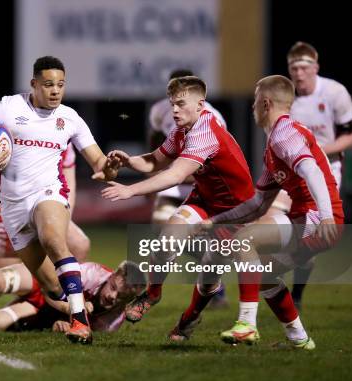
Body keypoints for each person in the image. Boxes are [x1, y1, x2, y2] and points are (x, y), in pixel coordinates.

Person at [0, 56, 119, 344]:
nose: (56, 91)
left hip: (49, 193)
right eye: (48, 85)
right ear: (33, 84)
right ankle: (74, 309)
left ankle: (80, 322)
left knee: (54, 241)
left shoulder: (70, 118)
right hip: (12, 206)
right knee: (50, 286)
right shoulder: (7, 108)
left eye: (60, 85)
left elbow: (97, 160)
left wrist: (108, 167)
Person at [195, 75, 343, 350]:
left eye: (254, 101)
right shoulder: (276, 143)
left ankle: (247, 325)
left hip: (315, 218)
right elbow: (258, 205)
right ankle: (300, 340)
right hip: (311, 218)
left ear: (265, 104)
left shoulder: (285, 133)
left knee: (244, 240)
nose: (252, 107)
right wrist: (215, 220)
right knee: (263, 276)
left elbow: (311, 170)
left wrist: (325, 216)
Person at [100, 76, 255, 329]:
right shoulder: (181, 129)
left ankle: (190, 320)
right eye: (172, 104)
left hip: (236, 211)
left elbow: (175, 175)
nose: (173, 110)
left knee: (210, 280)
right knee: (167, 238)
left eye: (181, 104)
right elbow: (155, 160)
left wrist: (131, 190)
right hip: (204, 199)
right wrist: (130, 161)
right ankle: (152, 293)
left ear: (200, 104)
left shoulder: (205, 131)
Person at [273, 41, 352, 310]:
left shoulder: (334, 92)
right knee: (273, 214)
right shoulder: (286, 98)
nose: (298, 73)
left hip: (327, 169)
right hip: (294, 171)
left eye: (303, 67)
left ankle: (294, 292)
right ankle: (269, 275)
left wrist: (321, 150)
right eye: (293, 68)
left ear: (315, 68)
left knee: (309, 233)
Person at [147, 69, 229, 308]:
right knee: (161, 227)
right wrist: (154, 171)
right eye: (172, 94)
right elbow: (155, 137)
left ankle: (214, 281)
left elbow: (218, 156)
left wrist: (186, 174)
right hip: (173, 181)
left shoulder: (213, 117)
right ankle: (210, 271)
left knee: (192, 235)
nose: (174, 104)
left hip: (198, 182)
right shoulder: (162, 110)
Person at [0, 260, 145, 333]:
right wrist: (68, 310)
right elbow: (50, 287)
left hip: (42, 307)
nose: (112, 297)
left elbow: (86, 334)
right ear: (112, 275)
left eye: (121, 298)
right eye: (114, 288)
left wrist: (66, 328)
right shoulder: (90, 274)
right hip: (42, 281)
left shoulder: (113, 321)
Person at [0, 143, 90, 270]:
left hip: (47, 208)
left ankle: (63, 288)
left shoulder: (65, 139)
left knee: (78, 244)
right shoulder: (16, 128)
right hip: (12, 213)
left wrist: (62, 220)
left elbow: (69, 185)